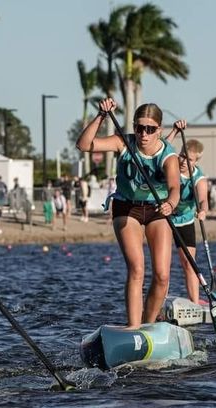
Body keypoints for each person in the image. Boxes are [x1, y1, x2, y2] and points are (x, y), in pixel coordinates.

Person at [76, 97, 180, 328]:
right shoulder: (123, 143)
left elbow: (174, 189)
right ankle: (133, 328)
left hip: (157, 209)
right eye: (139, 127)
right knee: (137, 269)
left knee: (162, 276)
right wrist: (101, 116)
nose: (144, 134)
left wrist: (170, 205)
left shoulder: (168, 156)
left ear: (159, 131)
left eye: (150, 129)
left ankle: (149, 326)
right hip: (126, 207)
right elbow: (83, 145)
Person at [170, 134, 209, 304]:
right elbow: (160, 147)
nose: (184, 161)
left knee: (189, 264)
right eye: (182, 155)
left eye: (189, 159)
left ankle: (194, 302)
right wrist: (175, 132)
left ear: (196, 161)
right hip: (165, 219)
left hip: (185, 220)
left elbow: (203, 200)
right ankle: (159, 299)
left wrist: (203, 211)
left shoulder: (199, 179)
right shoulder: (170, 167)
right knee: (163, 265)